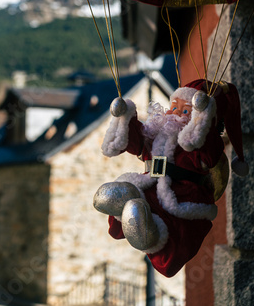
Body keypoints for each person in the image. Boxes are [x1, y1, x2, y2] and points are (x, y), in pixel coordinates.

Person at [93, 79, 248, 277]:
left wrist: (203, 124)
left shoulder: (199, 142)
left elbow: (209, 152)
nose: (174, 113)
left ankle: (146, 233)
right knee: (133, 194)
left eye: (184, 111)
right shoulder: (157, 135)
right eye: (173, 106)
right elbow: (137, 141)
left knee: (171, 231)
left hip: (180, 194)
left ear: (200, 117)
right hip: (151, 185)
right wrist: (125, 117)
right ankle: (124, 202)